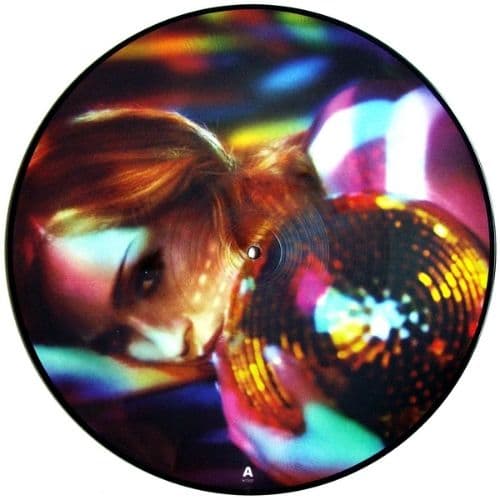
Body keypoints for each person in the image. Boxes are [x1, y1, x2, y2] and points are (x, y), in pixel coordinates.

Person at [12, 107, 384, 486]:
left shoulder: (366, 151)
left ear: (199, 182)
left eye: (147, 277)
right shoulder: (240, 449)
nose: (174, 345)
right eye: (117, 339)